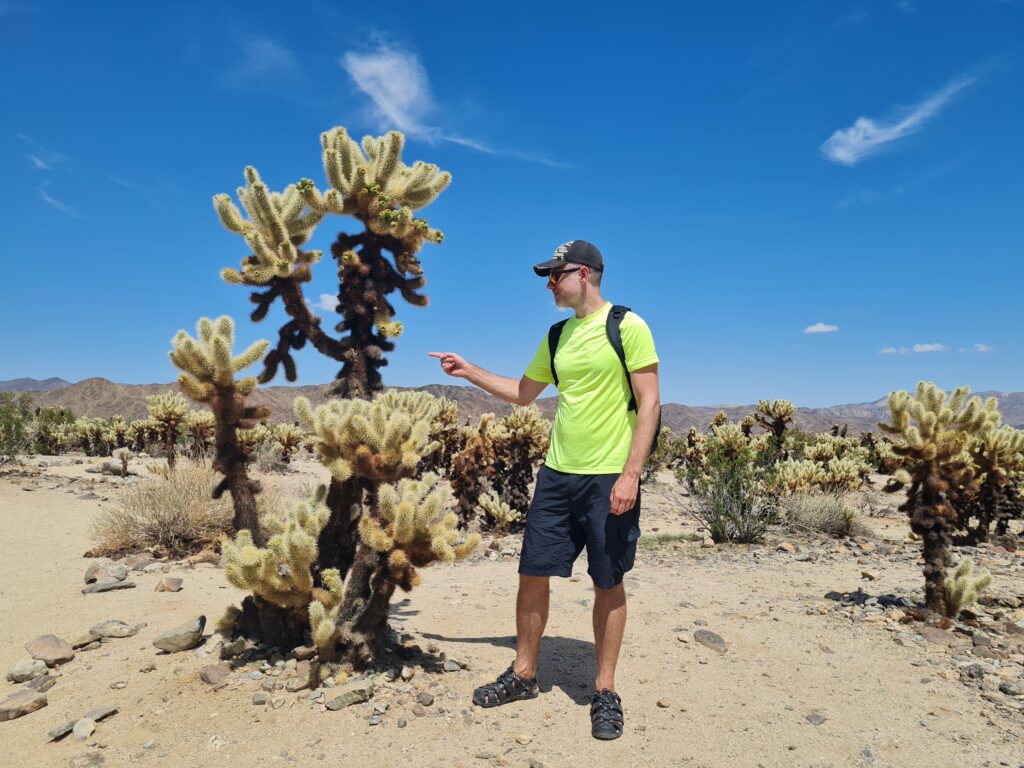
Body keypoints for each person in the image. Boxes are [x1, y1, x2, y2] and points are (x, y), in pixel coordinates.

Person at [428, 240, 660, 740]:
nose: (550, 285)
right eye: (548, 277)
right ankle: (524, 674)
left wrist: (631, 474)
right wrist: (468, 370)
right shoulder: (557, 336)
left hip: (608, 475)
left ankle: (605, 690)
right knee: (532, 572)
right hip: (557, 474)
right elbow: (523, 393)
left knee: (608, 580)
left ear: (584, 274)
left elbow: (650, 402)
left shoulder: (627, 326)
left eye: (556, 275)